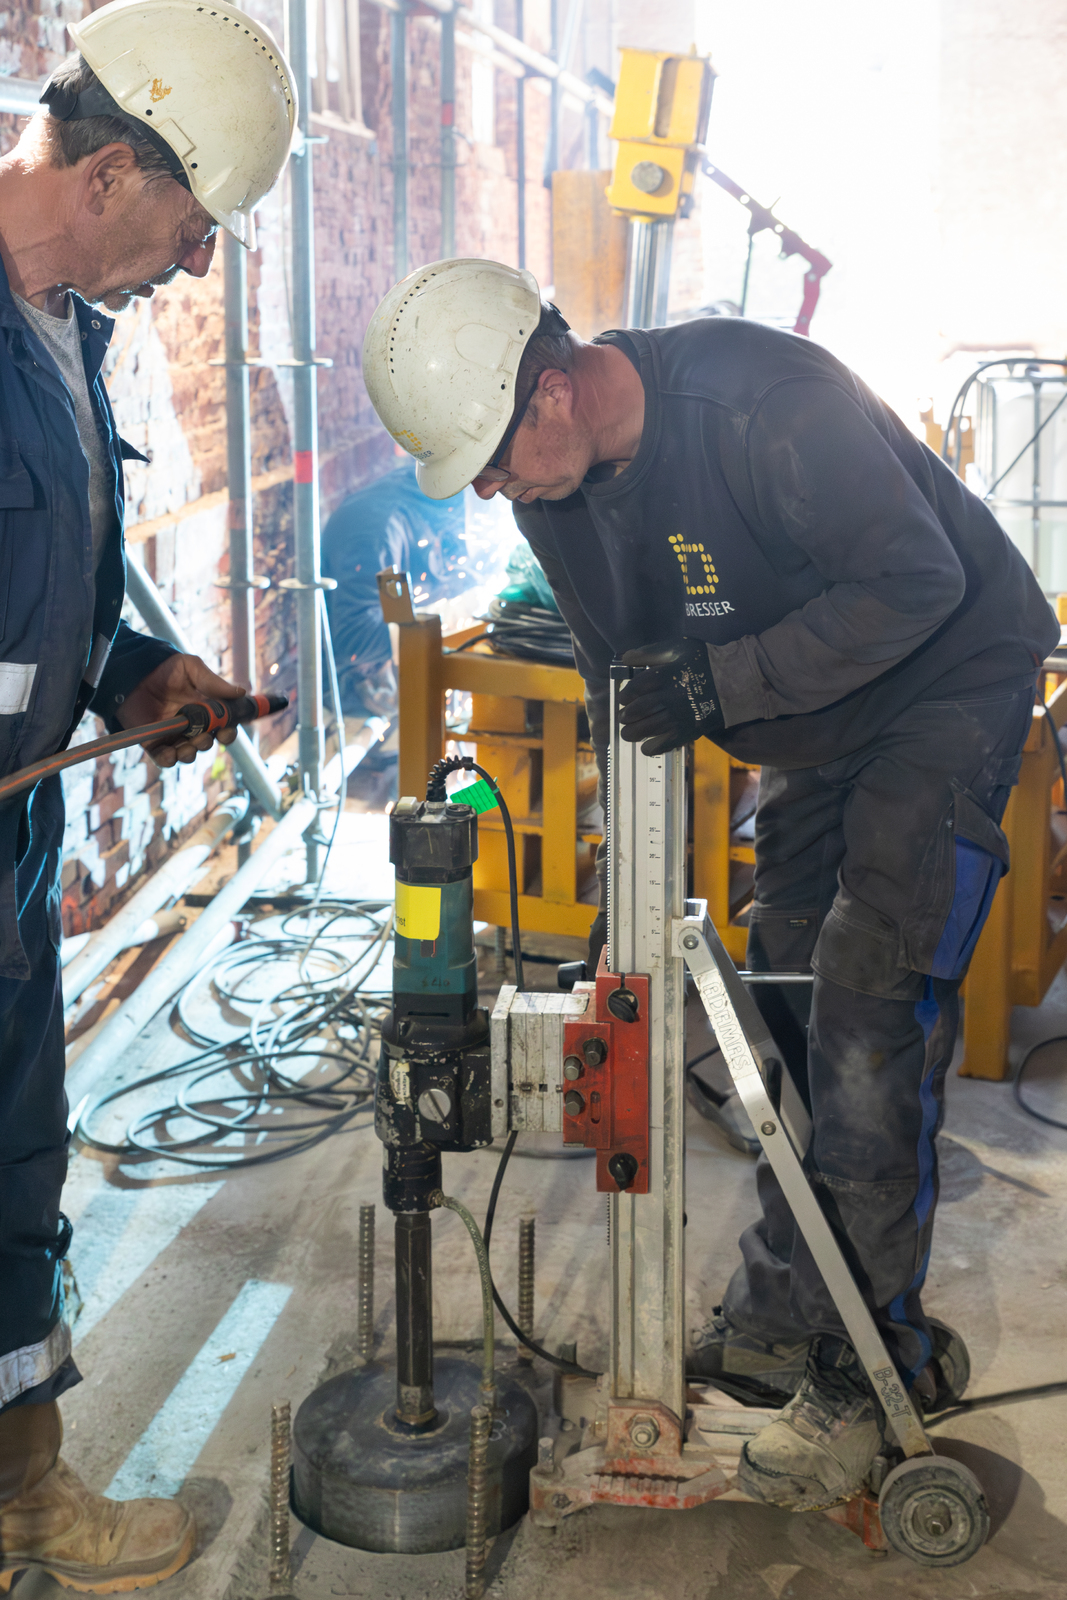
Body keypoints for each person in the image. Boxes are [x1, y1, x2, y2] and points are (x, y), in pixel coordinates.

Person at [362, 258, 1057, 1513]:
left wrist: (721, 683)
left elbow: (917, 582)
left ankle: (864, 1362)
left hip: (942, 674)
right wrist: (623, 903)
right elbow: (619, 681)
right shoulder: (555, 495)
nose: (491, 489)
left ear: (552, 390)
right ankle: (790, 1305)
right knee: (781, 989)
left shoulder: (761, 404)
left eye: (493, 459)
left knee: (867, 998)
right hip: (815, 710)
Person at [0, 0, 296, 1587]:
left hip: (14, 832)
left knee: (11, 1168)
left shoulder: (63, 336)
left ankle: (20, 1497)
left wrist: (138, 677)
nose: (195, 265)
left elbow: (52, 597)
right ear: (111, 172)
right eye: (191, 225)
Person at [322, 454, 468, 718]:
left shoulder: (428, 501)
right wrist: (443, 624)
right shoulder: (377, 534)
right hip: (355, 687)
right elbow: (353, 639)